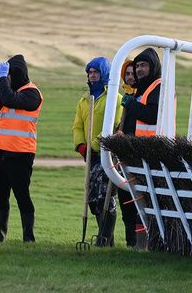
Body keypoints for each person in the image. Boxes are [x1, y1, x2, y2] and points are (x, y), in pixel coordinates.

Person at [0, 54, 42, 243]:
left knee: (21, 195)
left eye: (7, 77)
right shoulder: (6, 91)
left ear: (15, 74)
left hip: (21, 154)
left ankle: (28, 237)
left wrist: (3, 84)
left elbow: (11, 100)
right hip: (0, 151)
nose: (5, 81)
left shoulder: (32, 94)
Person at [72, 57, 122, 246]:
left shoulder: (115, 98)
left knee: (105, 198)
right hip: (90, 156)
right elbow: (77, 126)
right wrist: (81, 146)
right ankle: (107, 240)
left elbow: (113, 126)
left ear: (104, 74)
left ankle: (104, 240)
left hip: (107, 154)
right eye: (90, 72)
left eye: (96, 72)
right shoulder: (84, 100)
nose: (92, 75)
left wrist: (93, 145)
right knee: (92, 200)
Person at [118, 47, 163, 246]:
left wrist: (131, 104)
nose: (139, 70)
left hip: (152, 153)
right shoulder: (142, 90)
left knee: (146, 201)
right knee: (134, 200)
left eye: (143, 65)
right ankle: (136, 244)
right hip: (137, 153)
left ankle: (146, 244)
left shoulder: (158, 86)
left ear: (153, 67)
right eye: (137, 66)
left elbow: (152, 115)